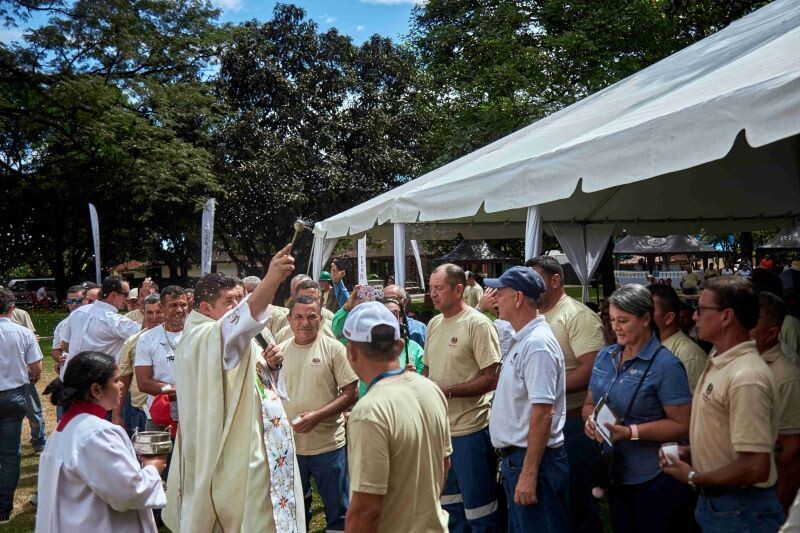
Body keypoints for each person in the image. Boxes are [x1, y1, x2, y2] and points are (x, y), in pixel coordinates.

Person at [163, 246, 305, 532]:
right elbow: (239, 324)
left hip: (263, 445)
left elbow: (258, 383)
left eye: (241, 299)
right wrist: (272, 279)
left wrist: (272, 367)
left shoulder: (241, 334)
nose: (238, 306)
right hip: (229, 455)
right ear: (205, 309)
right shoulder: (201, 337)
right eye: (230, 301)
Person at [661, 276, 784, 531]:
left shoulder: (746, 377)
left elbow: (755, 466)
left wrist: (695, 477)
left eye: (702, 310)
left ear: (726, 316)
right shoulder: (721, 361)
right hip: (722, 506)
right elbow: (730, 443)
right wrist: (692, 453)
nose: (694, 317)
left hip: (740, 510)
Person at [584, 284, 694, 533]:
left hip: (655, 477)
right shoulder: (605, 356)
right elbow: (590, 403)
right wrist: (591, 421)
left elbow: (682, 424)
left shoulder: (667, 365)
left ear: (646, 319)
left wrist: (631, 432)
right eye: (612, 319)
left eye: (623, 320)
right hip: (616, 475)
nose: (615, 327)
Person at [343, 302, 451, 532]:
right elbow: (444, 463)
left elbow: (366, 509)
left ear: (351, 352)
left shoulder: (368, 412)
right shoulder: (430, 389)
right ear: (401, 346)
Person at [36, 351, 167, 532]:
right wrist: (153, 467)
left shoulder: (65, 429)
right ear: (96, 390)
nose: (122, 385)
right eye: (115, 380)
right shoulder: (97, 434)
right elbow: (128, 493)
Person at [485, 267, 570, 532]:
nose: (495, 299)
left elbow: (543, 412)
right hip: (520, 461)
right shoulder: (525, 340)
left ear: (519, 298)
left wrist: (529, 473)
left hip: (533, 462)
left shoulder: (537, 345)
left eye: (500, 293)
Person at [527, 255, 606, 533]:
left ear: (556, 280)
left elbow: (593, 369)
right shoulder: (535, 317)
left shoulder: (576, 315)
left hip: (571, 425)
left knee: (578, 504)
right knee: (553, 505)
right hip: (543, 423)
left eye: (536, 280)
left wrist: (542, 391)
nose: (529, 287)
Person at [423, 263, 501, 531]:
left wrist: (449, 391)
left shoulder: (478, 324)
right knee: (449, 505)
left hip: (470, 431)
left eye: (439, 288)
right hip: (440, 433)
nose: (432, 294)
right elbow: (428, 370)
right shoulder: (433, 323)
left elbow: (492, 378)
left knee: (480, 509)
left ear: (459, 290)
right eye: (430, 288)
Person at [278, 295, 358, 531]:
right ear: (289, 320)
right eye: (299, 317)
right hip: (290, 448)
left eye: (312, 316)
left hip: (328, 447)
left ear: (321, 318)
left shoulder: (334, 349)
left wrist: (317, 416)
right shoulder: (279, 352)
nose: (305, 322)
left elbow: (350, 393)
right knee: (294, 508)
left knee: (338, 511)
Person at [62, 275, 142, 425]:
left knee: (71, 430)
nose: (128, 299)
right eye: (126, 294)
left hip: (70, 383)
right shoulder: (114, 321)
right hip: (97, 390)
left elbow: (65, 345)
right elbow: (148, 333)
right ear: (113, 295)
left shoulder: (78, 313)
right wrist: (144, 302)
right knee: (95, 433)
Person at [750, 292, 800, 511]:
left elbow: (792, 451)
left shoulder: (786, 376)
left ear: (772, 333)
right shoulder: (735, 360)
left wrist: (776, 510)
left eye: (751, 323)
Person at [0, 288, 43, 524]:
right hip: (14, 395)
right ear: (12, 308)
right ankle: (3, 508)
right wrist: (24, 374)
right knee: (9, 454)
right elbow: (36, 369)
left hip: (12, 394)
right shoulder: (23, 332)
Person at [135, 286, 189, 431]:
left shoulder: (197, 334)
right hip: (159, 415)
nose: (179, 310)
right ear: (162, 307)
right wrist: (174, 389)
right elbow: (144, 383)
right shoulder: (147, 338)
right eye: (173, 305)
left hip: (192, 414)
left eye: (183, 304)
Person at [648, 284, 708, 392]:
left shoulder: (688, 356)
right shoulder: (647, 347)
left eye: (649, 311)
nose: (641, 316)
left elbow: (695, 406)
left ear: (668, 318)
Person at [118, 294, 163, 435]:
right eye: (150, 312)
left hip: (167, 407)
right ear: (143, 313)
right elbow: (124, 380)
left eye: (158, 312)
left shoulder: (178, 338)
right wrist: (116, 414)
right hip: (140, 410)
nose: (154, 316)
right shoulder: (133, 341)